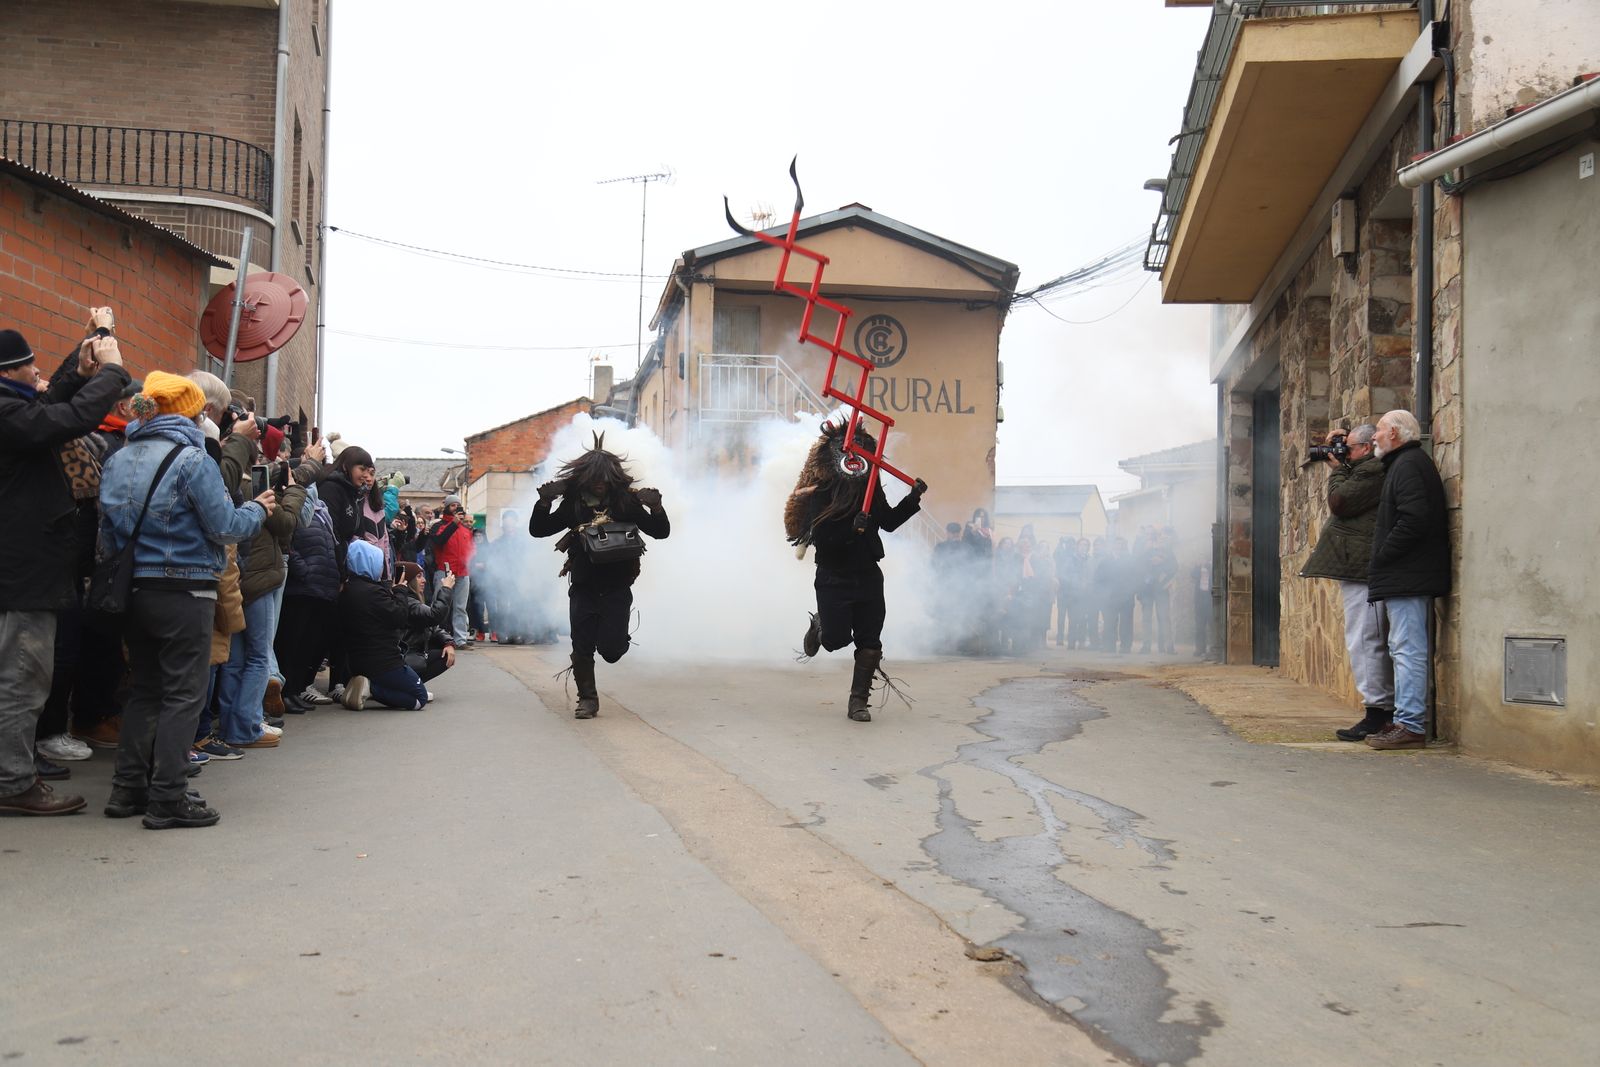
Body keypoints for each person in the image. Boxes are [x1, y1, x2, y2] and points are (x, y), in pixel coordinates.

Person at [99, 372, 273, 828]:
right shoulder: (193, 460)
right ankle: (168, 796)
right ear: (192, 413)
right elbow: (225, 528)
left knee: (145, 690)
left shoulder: (119, 459)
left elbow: (108, 536)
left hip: (135, 590)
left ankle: (128, 789)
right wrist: (258, 509)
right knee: (183, 695)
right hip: (185, 590)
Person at [0, 318, 131, 816]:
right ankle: (12, 782)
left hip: (22, 571)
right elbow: (66, 418)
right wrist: (113, 373)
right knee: (22, 676)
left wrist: (78, 370)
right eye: (31, 365)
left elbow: (50, 407)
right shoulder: (6, 414)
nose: (38, 373)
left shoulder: (12, 410)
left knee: (18, 675)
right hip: (22, 576)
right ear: (10, 371)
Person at [788, 417, 925, 722]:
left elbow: (888, 522)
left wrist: (913, 498)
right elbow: (823, 539)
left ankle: (858, 702)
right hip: (833, 576)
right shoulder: (821, 492)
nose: (856, 454)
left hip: (867, 574)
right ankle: (821, 626)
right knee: (836, 640)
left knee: (870, 640)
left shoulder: (871, 489)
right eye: (851, 448)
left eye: (863, 449)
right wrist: (852, 529)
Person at [529, 434, 670, 719]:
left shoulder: (627, 503)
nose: (599, 483)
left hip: (618, 586)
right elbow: (539, 529)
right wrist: (544, 502)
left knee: (612, 650)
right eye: (594, 477)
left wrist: (656, 507)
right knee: (581, 644)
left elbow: (660, 531)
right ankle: (587, 700)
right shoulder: (573, 504)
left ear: (612, 477)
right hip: (583, 584)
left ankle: (617, 641)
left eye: (604, 478)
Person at [1299, 424, 1395, 741]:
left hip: (1362, 568)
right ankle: (1378, 710)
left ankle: (1378, 713)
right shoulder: (1364, 467)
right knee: (1363, 639)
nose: (1343, 453)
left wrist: (1338, 470)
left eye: (1349, 447)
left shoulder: (1372, 471)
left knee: (1365, 640)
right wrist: (1337, 450)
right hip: (1357, 567)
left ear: (1367, 447)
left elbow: (1340, 502)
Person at [1365, 410, 1450, 750]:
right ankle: (1405, 719)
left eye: (1380, 430)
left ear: (1397, 435)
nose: (1374, 436)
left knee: (1407, 649)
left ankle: (1411, 724)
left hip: (1408, 574)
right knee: (1402, 648)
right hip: (1407, 573)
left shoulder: (1409, 465)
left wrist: (1383, 554)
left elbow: (1414, 520)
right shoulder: (1404, 464)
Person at [337, 541, 454, 710]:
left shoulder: (348, 590)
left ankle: (371, 686)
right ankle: (371, 689)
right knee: (419, 698)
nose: (424, 581)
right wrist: (400, 590)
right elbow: (400, 618)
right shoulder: (375, 593)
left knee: (438, 656)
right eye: (419, 577)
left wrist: (448, 642)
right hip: (384, 662)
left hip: (359, 660)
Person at [429, 495, 476, 648]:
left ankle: (460, 640)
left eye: (458, 505)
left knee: (460, 607)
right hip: (445, 571)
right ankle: (435, 637)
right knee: (439, 605)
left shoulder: (466, 529)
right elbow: (439, 541)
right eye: (453, 505)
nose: (456, 507)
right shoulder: (439, 525)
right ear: (447, 507)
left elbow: (471, 550)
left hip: (463, 572)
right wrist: (454, 523)